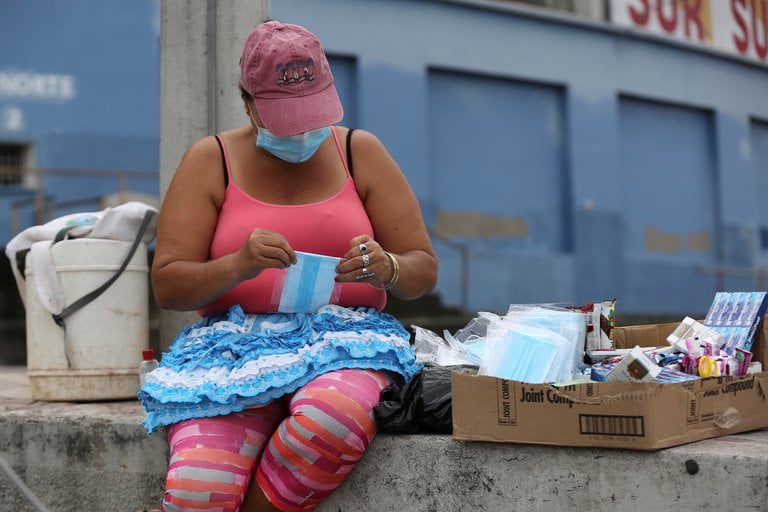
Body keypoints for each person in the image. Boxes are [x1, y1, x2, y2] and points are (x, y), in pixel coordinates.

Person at [139, 19, 437, 512]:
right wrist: (237, 264)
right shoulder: (209, 160)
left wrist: (386, 268)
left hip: (346, 346)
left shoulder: (358, 152)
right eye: (284, 115)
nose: (301, 130)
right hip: (232, 353)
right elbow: (169, 285)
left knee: (333, 419)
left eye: (311, 111)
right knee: (197, 487)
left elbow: (422, 270)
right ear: (247, 101)